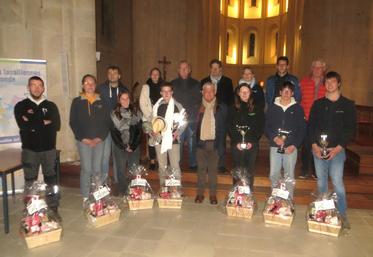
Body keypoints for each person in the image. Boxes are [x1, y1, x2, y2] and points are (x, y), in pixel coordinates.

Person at [309, 71, 356, 229]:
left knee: (337, 183)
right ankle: (322, 214)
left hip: (337, 151)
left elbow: (350, 130)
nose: (329, 85)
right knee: (321, 183)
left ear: (339, 83)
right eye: (327, 82)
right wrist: (314, 146)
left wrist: (337, 149)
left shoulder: (348, 105)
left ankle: (342, 215)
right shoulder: (318, 104)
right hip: (318, 151)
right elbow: (311, 126)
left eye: (333, 82)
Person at [14, 76, 61, 216]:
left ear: (43, 88)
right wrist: (44, 122)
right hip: (30, 151)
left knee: (51, 180)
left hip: (49, 150)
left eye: (40, 85)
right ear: (28, 87)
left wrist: (32, 122)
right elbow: (23, 125)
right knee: (30, 181)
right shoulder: (21, 106)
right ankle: (31, 209)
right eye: (33, 85)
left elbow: (56, 125)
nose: (36, 88)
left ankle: (53, 208)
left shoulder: (51, 106)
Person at [70, 74, 110, 203]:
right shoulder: (77, 101)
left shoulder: (102, 101)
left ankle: (97, 194)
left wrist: (99, 138)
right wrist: (83, 139)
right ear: (83, 85)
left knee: (97, 168)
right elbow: (73, 122)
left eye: (92, 83)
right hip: (83, 141)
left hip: (99, 140)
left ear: (95, 85)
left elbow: (107, 122)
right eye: (87, 83)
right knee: (87, 168)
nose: (90, 85)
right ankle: (86, 196)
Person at [265, 81, 306, 198]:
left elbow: (302, 129)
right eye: (284, 90)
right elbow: (266, 126)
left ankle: (288, 201)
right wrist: (274, 138)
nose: (286, 93)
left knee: (289, 175)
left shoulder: (298, 108)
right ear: (280, 92)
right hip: (275, 145)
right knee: (274, 174)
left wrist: (294, 145)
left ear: (292, 93)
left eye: (289, 91)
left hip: (291, 147)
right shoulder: (272, 107)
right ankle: (275, 200)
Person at [195, 82, 227, 204]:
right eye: (206, 91)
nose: (208, 93)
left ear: (215, 92)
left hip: (215, 144)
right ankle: (200, 194)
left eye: (211, 91)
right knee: (201, 171)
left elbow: (224, 127)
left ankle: (213, 195)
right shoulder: (197, 106)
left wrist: (222, 146)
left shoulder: (221, 107)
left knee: (213, 172)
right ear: (202, 92)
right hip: (201, 144)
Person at [228, 83, 265, 191]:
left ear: (250, 93)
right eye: (242, 91)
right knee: (237, 170)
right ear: (238, 93)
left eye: (247, 92)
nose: (244, 94)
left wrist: (251, 142)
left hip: (251, 145)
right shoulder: (232, 108)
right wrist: (236, 142)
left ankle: (248, 196)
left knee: (249, 171)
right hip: (237, 145)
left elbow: (260, 127)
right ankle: (236, 195)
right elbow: (230, 127)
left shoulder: (257, 108)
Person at [97, 66, 129, 184]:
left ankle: (118, 180)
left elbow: (127, 107)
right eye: (109, 73)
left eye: (115, 73)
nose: (112, 75)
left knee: (118, 157)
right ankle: (103, 181)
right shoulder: (100, 88)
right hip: (104, 127)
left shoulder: (124, 89)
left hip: (119, 128)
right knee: (104, 157)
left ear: (119, 76)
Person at [201, 59, 234, 172]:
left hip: (221, 113)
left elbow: (231, 100)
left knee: (221, 140)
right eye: (213, 68)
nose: (215, 70)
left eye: (217, 68)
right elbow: (201, 97)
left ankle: (221, 164)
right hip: (207, 112)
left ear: (220, 69)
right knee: (207, 140)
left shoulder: (228, 81)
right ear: (210, 69)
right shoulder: (204, 80)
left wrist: (227, 115)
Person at [152, 82, 187, 186]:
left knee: (175, 166)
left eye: (168, 91)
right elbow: (151, 121)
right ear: (161, 93)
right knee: (162, 167)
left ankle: (176, 189)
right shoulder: (156, 106)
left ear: (172, 92)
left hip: (173, 140)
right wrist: (152, 132)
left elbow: (184, 122)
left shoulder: (178, 106)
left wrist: (178, 132)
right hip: (159, 140)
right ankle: (164, 190)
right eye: (164, 91)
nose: (166, 93)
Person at [299, 59, 327, 179]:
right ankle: (305, 169)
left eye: (319, 67)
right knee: (306, 145)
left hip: (321, 120)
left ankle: (316, 170)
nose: (317, 69)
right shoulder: (304, 82)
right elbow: (298, 99)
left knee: (320, 145)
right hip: (306, 118)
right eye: (315, 67)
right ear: (312, 68)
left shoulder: (327, 82)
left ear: (323, 69)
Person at [110, 91, 142, 195]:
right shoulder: (114, 113)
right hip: (120, 145)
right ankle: (123, 192)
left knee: (134, 170)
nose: (125, 101)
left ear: (130, 99)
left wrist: (132, 146)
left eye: (127, 98)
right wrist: (124, 146)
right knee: (121, 170)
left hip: (134, 146)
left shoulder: (136, 113)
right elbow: (114, 132)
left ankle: (133, 192)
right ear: (119, 100)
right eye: (122, 99)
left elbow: (139, 131)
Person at [172, 61, 201, 171]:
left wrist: (190, 112)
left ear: (189, 70)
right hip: (178, 119)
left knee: (192, 142)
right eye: (181, 68)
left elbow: (198, 101)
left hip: (191, 118)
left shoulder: (196, 83)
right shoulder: (173, 84)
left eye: (186, 68)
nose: (183, 70)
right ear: (178, 70)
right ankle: (177, 163)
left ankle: (193, 163)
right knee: (177, 142)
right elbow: (171, 102)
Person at [139, 67, 163, 170]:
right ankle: (152, 160)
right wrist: (151, 116)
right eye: (153, 74)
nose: (155, 76)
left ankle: (160, 159)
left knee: (160, 138)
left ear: (159, 75)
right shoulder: (146, 86)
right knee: (151, 139)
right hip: (148, 117)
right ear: (150, 75)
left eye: (157, 74)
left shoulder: (163, 86)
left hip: (160, 118)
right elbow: (142, 103)